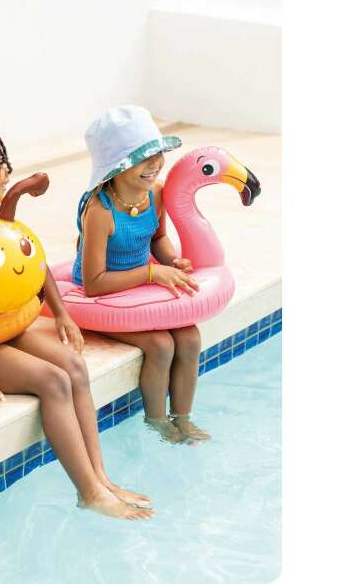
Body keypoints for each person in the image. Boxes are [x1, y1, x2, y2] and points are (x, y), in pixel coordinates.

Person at [0, 114, 152, 519]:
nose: (7, 170)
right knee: (52, 380)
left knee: (74, 365)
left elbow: (31, 262)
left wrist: (61, 313)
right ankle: (88, 492)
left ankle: (102, 477)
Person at [72, 105, 209, 444]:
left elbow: (157, 238)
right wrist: (150, 273)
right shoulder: (100, 211)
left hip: (139, 283)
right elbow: (93, 284)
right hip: (106, 291)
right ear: (115, 167)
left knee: (190, 338)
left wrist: (172, 261)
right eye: (142, 158)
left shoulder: (156, 193)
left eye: (157, 154)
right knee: (160, 345)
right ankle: (158, 421)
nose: (154, 164)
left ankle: (183, 419)